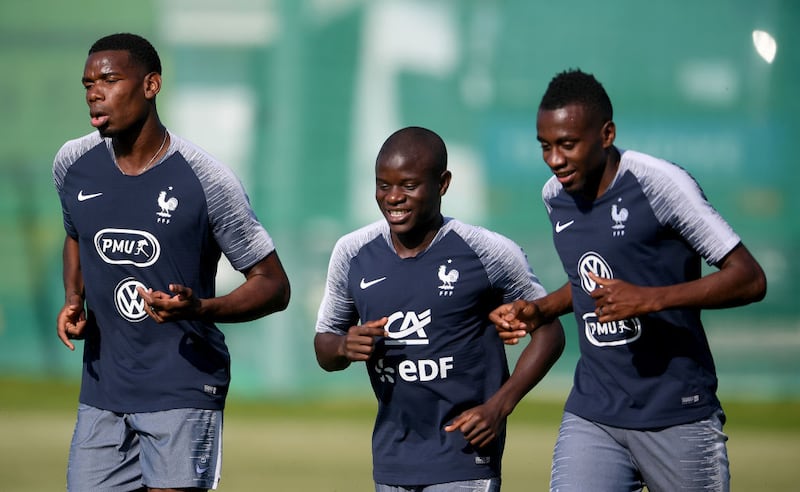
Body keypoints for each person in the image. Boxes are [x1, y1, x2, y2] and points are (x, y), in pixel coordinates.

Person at [490, 69, 767, 491]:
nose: (555, 159)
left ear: (606, 134)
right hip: (595, 412)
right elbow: (591, 281)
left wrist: (649, 299)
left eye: (567, 144)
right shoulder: (554, 195)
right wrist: (541, 309)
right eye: (545, 146)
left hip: (677, 411)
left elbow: (749, 279)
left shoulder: (659, 184)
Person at [53, 33, 291, 492]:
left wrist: (200, 308)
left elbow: (274, 285)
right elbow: (75, 235)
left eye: (109, 80)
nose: (94, 93)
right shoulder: (73, 163)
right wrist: (73, 298)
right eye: (87, 84)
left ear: (151, 85)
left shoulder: (207, 179)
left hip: (183, 387)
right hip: (102, 392)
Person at [314, 126, 565, 491]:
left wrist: (499, 406)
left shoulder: (487, 252)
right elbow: (324, 345)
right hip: (391, 459)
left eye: (409, 185)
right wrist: (342, 347)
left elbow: (550, 331)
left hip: (464, 456)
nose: (393, 198)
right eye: (383, 185)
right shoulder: (352, 253)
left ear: (443, 183)